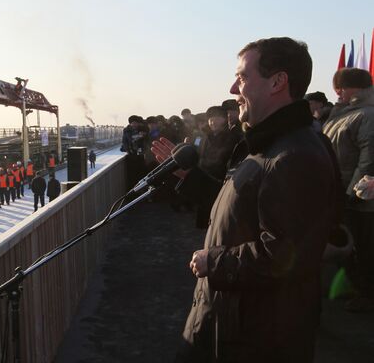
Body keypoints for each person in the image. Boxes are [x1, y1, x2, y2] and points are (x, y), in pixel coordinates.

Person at [154, 37, 338, 362]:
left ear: (277, 82)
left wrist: (214, 261)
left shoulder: (295, 155)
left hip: (254, 338)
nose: (232, 88)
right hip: (229, 322)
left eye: (241, 77)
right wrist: (190, 178)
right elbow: (240, 205)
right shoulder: (267, 144)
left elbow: (284, 254)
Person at [323, 67, 374, 312]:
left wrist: (353, 192)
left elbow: (368, 158)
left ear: (358, 88)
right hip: (340, 193)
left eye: (341, 86)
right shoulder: (342, 113)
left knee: (364, 247)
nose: (338, 91)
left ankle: (367, 294)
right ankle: (353, 287)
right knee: (348, 245)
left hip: (361, 199)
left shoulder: (367, 115)